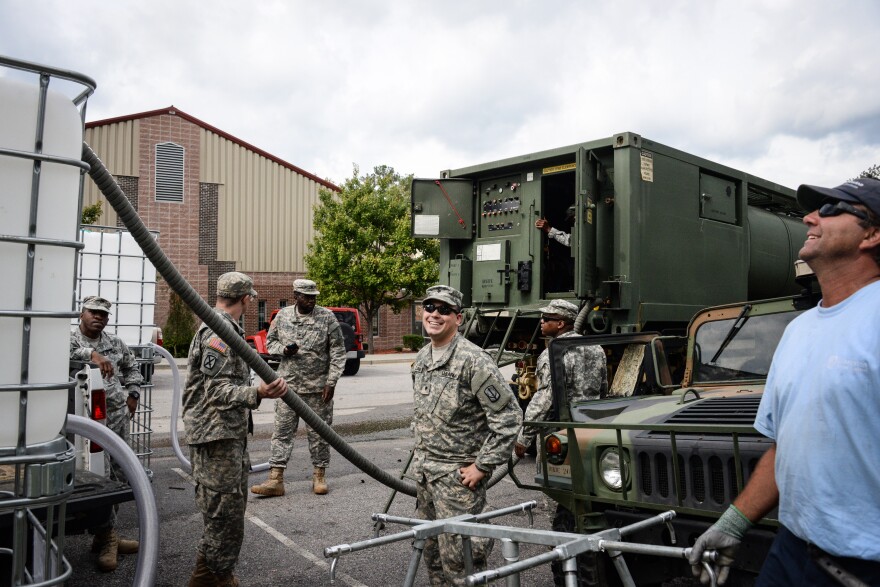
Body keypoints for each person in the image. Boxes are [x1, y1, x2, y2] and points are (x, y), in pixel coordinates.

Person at [689, 178, 880, 586]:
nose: (810, 217)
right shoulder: (798, 330)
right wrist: (735, 522)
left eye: (831, 209)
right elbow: (786, 447)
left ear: (873, 234)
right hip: (792, 551)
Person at [410, 285, 523, 586]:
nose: (434, 314)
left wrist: (483, 465)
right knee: (433, 559)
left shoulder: (474, 360)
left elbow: (509, 417)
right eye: (429, 307)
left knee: (462, 562)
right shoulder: (422, 358)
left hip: (458, 479)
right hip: (426, 477)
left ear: (458, 318)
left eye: (443, 310)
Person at [183, 272, 288, 587]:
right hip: (217, 439)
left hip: (225, 437)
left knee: (226, 515)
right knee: (224, 517)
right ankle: (213, 577)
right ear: (245, 299)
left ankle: (218, 575)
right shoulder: (218, 333)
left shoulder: (221, 328)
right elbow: (215, 392)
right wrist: (258, 393)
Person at [250, 278, 346, 497]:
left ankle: (319, 476)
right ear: (295, 296)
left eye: (314, 297)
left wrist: (331, 381)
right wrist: (284, 350)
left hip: (317, 388)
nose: (311, 300)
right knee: (282, 433)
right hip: (288, 388)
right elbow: (270, 343)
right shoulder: (282, 316)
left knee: (320, 434)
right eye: (306, 296)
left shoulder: (326, 317)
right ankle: (276, 479)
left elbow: (338, 351)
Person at [70, 295, 143, 572]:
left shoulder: (115, 343)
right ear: (82, 313)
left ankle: (105, 536)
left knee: (120, 475)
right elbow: (65, 354)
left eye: (103, 314)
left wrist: (133, 394)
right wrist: (92, 355)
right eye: (93, 312)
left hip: (116, 418)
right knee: (98, 478)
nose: (98, 317)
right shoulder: (69, 339)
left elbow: (132, 367)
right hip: (83, 424)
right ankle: (108, 537)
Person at [513, 299, 606, 458]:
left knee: (554, 479)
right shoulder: (596, 348)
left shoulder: (553, 354)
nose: (541, 321)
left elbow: (544, 399)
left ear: (561, 324)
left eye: (547, 318)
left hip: (559, 434)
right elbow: (603, 389)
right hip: (590, 429)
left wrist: (524, 437)